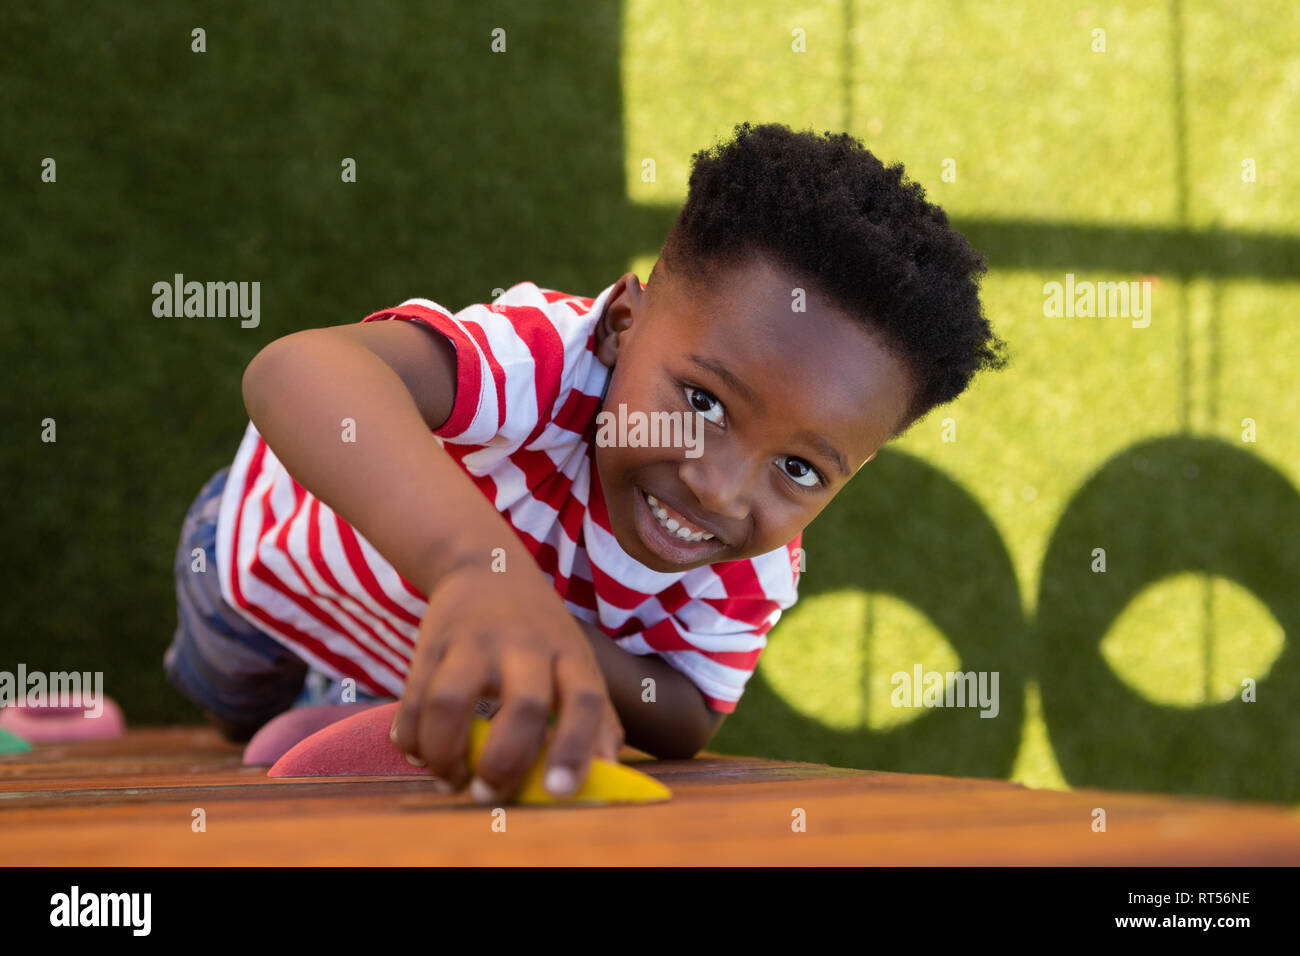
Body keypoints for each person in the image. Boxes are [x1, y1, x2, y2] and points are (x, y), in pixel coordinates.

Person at [164, 121, 1007, 804]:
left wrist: (563, 643)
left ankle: (332, 704)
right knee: (230, 712)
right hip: (266, 565)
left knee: (321, 762)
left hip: (402, 664)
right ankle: (291, 696)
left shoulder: (752, 573)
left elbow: (685, 715)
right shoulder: (544, 361)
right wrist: (477, 572)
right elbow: (297, 373)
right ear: (620, 326)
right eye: (703, 404)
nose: (718, 486)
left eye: (800, 470)